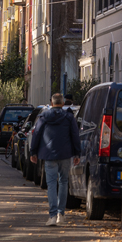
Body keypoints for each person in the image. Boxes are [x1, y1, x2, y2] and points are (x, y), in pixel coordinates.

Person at [30, 92, 81, 225]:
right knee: (64, 182)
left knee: (51, 184)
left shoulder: (44, 116)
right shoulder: (69, 117)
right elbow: (75, 135)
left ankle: (52, 216)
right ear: (63, 104)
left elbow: (36, 134)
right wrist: (77, 154)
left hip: (49, 154)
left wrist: (33, 152)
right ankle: (61, 214)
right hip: (65, 154)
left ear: (52, 103)